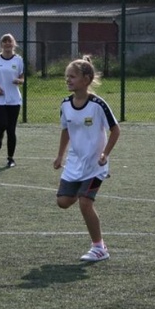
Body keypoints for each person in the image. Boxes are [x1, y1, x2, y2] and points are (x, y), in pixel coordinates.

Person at [53, 57, 121, 263]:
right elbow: (66, 130)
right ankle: (80, 190)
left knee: (85, 203)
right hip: (75, 163)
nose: (68, 80)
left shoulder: (98, 104)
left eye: (72, 76)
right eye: (67, 76)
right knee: (63, 202)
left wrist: (105, 154)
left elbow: (115, 130)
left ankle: (99, 247)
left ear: (86, 79)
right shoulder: (65, 104)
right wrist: (60, 155)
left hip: (95, 166)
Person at [0, 33, 25, 168]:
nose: (7, 44)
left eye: (10, 41)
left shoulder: (19, 60)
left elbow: (22, 78)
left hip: (14, 99)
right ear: (1, 44)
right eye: (5, 41)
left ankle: (10, 158)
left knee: (11, 129)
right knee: (2, 124)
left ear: (14, 44)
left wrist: (19, 81)